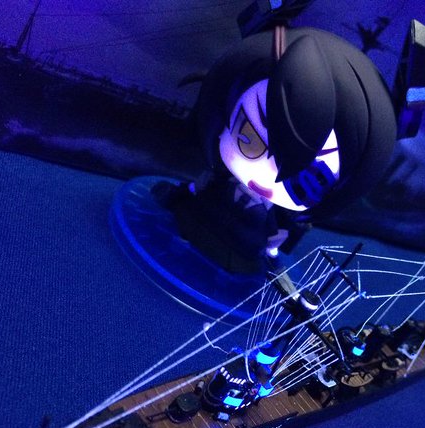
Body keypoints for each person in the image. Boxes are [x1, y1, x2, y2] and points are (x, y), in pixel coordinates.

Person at [158, 26, 396, 273]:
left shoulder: (268, 216)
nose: (267, 177)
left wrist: (272, 253)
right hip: (194, 224)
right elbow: (196, 188)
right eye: (249, 138)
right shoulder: (219, 181)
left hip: (237, 254)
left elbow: (272, 240)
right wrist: (180, 193)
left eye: (306, 179)